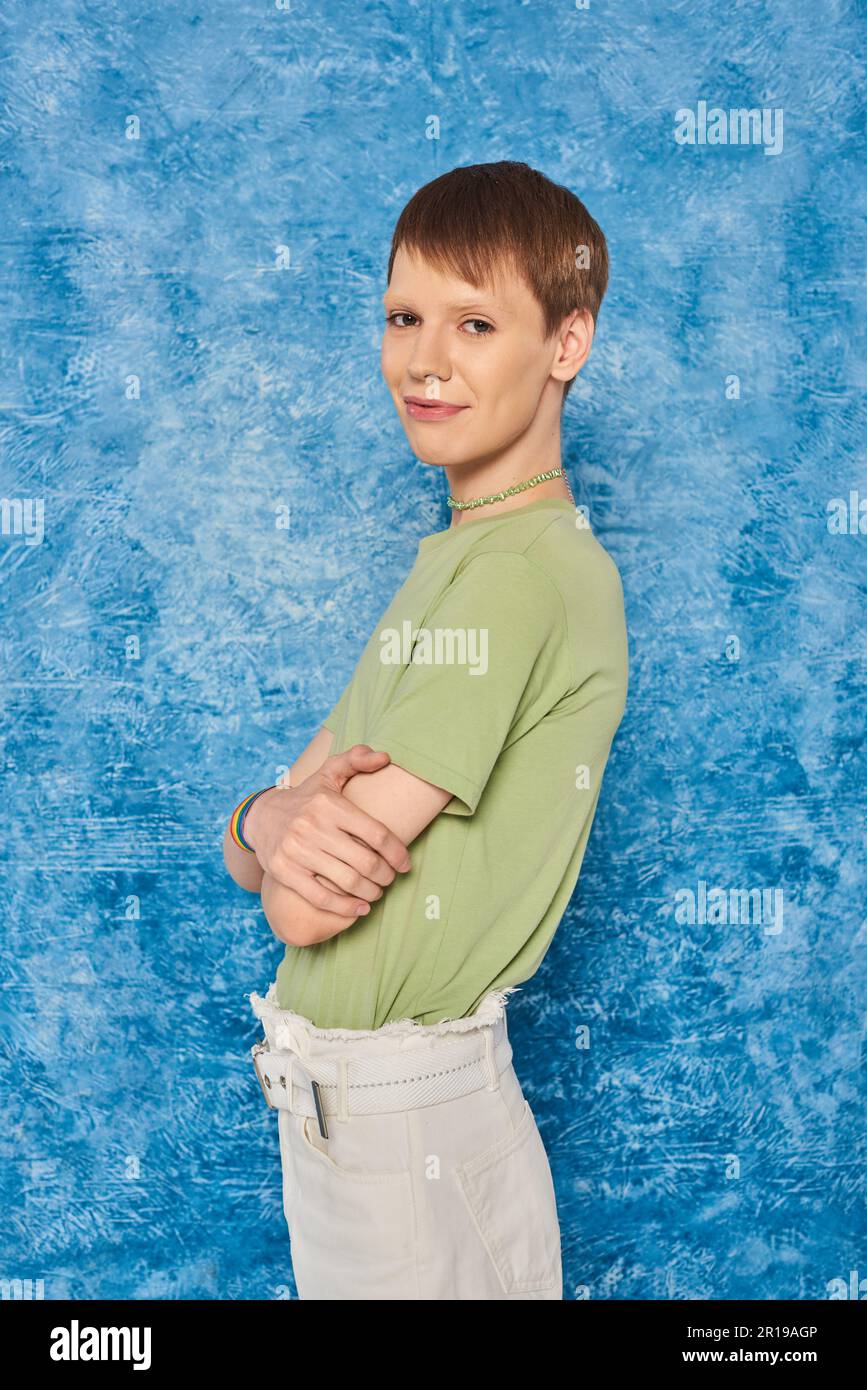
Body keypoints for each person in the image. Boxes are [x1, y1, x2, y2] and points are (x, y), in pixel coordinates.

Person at [223, 160, 629, 1300]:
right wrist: (272, 816)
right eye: (404, 316)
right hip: (365, 1135)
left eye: (476, 321)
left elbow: (297, 896)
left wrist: (279, 825)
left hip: (414, 1149)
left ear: (566, 343)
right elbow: (256, 834)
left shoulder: (520, 580)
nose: (424, 359)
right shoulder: (460, 563)